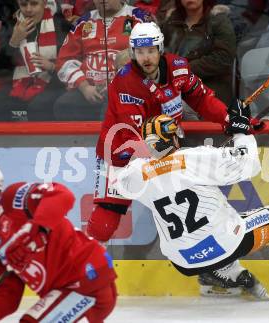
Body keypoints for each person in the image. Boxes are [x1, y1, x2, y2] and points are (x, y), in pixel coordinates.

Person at [114, 104, 269, 299]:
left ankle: (214, 274)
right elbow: (248, 165)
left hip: (183, 262)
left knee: (220, 226)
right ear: (173, 137)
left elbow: (120, 184)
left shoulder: (138, 173)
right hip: (225, 245)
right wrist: (242, 132)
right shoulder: (194, 158)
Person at [88, 21, 259, 245]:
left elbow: (201, 98)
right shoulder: (125, 83)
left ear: (160, 49)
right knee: (107, 214)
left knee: (190, 206)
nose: (146, 58)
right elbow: (136, 137)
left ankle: (211, 263)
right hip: (121, 155)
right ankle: (84, 261)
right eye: (140, 52)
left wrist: (229, 119)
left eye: (151, 51)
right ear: (133, 53)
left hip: (163, 147)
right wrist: (169, 160)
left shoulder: (178, 67)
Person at [0, 159, 117, 322]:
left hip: (89, 277)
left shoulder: (13, 198)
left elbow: (62, 195)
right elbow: (7, 295)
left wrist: (39, 229)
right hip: (63, 291)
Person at [54, 0, 152, 121]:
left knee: (112, 110)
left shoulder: (140, 18)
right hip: (89, 90)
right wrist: (84, 86)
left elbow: (152, 58)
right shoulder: (83, 22)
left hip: (127, 91)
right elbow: (65, 61)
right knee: (63, 105)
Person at [0, 0, 70, 121]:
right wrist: (13, 42)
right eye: (23, 5)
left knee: (39, 107)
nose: (28, 9)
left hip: (53, 83)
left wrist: (52, 66)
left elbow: (73, 64)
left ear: (44, 3)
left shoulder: (61, 25)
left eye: (34, 4)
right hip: (18, 84)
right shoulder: (12, 26)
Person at [161, 0, 236, 105]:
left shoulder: (218, 21)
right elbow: (160, 53)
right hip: (173, 88)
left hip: (210, 88)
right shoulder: (172, 22)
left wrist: (183, 70)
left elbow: (223, 58)